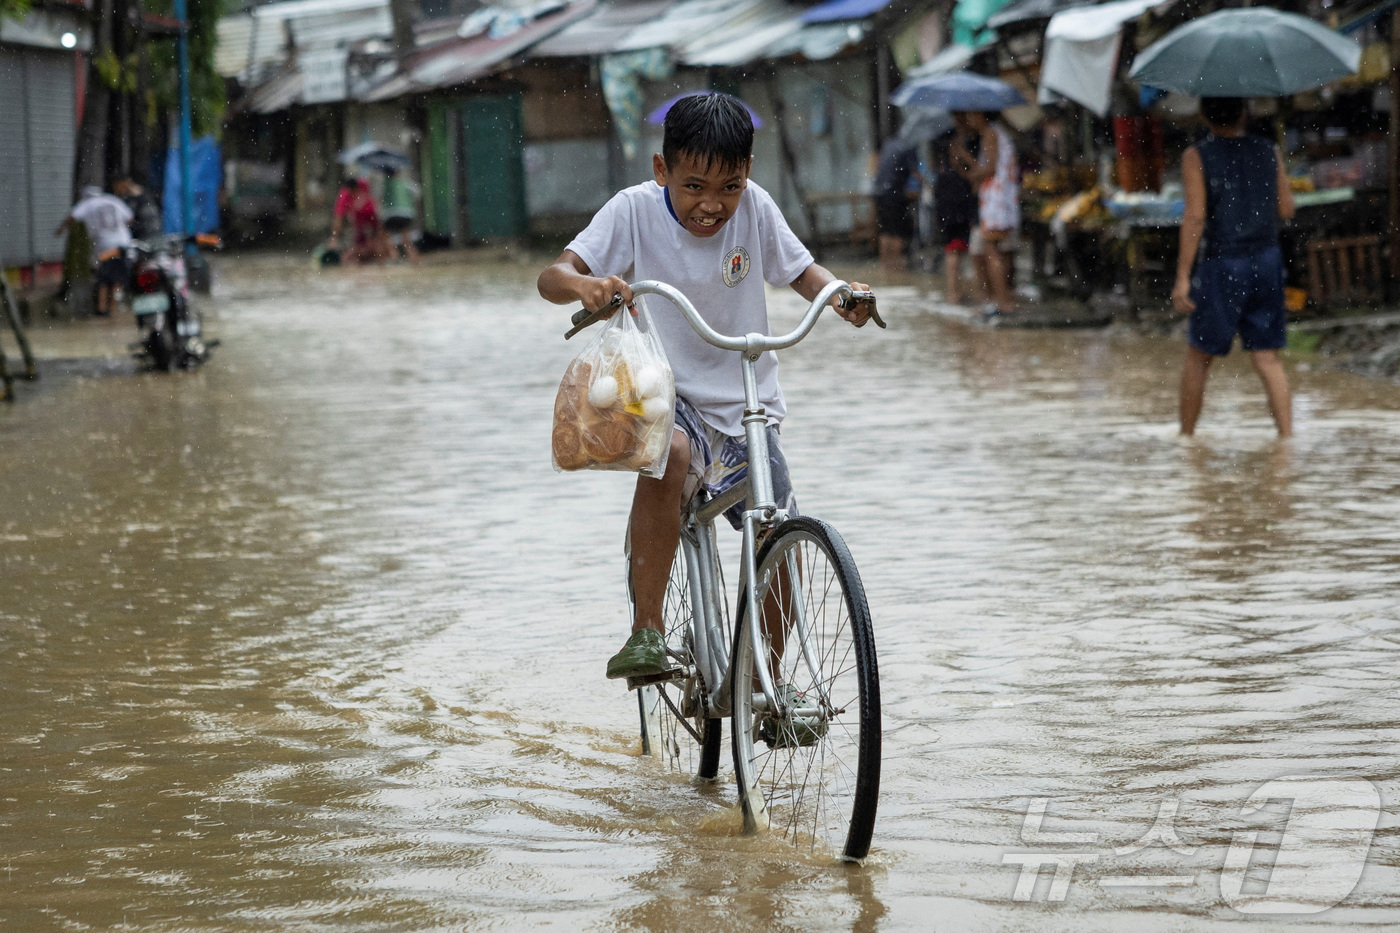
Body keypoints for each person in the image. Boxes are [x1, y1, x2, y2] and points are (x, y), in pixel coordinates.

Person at [537, 93, 873, 696]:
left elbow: (802, 271)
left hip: (748, 398)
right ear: (662, 170)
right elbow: (552, 277)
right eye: (694, 186)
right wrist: (586, 285)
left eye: (730, 186)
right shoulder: (633, 210)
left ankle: (768, 684)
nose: (712, 205)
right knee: (673, 460)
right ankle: (646, 629)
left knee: (778, 530)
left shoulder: (757, 209)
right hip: (662, 389)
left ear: (748, 173)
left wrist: (841, 293)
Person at [1172, 97, 1295, 438]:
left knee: (1199, 357)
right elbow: (1286, 209)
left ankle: (1187, 443)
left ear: (1202, 115)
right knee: (1267, 359)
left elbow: (1195, 216)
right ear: (1244, 112)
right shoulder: (1268, 150)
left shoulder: (1196, 156)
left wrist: (1182, 276)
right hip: (1267, 261)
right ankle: (1286, 440)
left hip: (1223, 263)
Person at [953, 110, 1020, 317]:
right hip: (1000, 199)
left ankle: (1002, 301)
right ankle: (1000, 299)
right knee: (992, 251)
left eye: (973, 115)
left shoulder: (991, 133)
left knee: (991, 250)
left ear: (984, 115)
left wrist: (965, 158)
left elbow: (989, 169)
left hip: (996, 201)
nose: (970, 119)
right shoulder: (997, 133)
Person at [56, 185, 133, 317]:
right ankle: (113, 309)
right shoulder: (112, 199)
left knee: (104, 278)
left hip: (104, 246)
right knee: (117, 279)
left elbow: (72, 216)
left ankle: (102, 309)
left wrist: (60, 229)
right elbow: (130, 217)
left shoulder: (86, 204)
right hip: (122, 244)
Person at [933, 114, 979, 305]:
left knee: (954, 250)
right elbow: (973, 175)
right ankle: (957, 294)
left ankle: (955, 293)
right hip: (957, 205)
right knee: (958, 250)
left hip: (948, 205)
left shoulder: (943, 146)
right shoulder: (961, 146)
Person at [873, 137, 922, 273]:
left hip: (879, 193)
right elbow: (915, 172)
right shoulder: (909, 146)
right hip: (894, 194)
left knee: (885, 231)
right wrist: (928, 182)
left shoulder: (889, 144)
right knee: (897, 232)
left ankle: (885, 268)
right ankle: (896, 269)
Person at [330, 177, 387, 264]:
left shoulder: (364, 186)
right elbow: (338, 218)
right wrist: (334, 238)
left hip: (372, 221)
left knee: (378, 245)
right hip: (359, 224)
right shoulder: (344, 195)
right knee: (357, 251)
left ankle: (382, 262)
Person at [380, 168, 421, 265]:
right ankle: (414, 259)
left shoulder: (386, 184)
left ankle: (394, 255)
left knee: (386, 236)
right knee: (406, 239)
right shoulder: (405, 182)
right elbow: (418, 192)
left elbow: (380, 198)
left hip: (391, 213)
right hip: (406, 213)